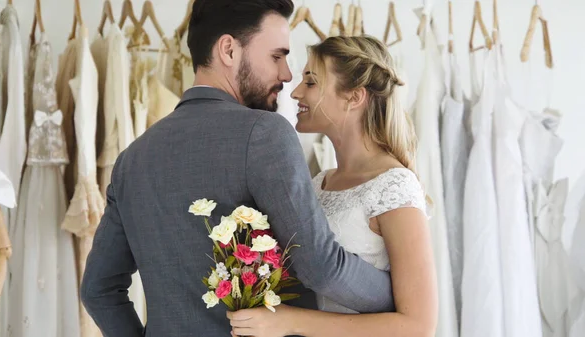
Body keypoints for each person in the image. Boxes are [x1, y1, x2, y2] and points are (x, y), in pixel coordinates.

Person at [80, 1, 395, 336]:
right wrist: (398, 297)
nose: (287, 74)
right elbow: (321, 267)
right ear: (228, 50)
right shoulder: (265, 134)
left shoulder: (132, 159)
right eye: (277, 56)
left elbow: (98, 290)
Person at [227, 36, 438, 337]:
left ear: (354, 97)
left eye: (311, 83)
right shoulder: (318, 182)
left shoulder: (395, 185)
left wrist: (289, 321)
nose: (296, 92)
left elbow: (418, 326)